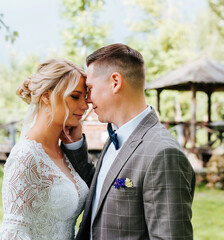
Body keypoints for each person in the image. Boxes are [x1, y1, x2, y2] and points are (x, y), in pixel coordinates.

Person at [62, 44, 196, 240]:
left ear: (115, 82)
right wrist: (74, 145)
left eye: (90, 88)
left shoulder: (163, 154)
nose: (88, 99)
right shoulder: (116, 136)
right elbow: (104, 191)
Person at [0, 58, 90, 240]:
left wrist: (74, 145)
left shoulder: (63, 153)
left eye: (85, 98)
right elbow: (15, 233)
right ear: (46, 95)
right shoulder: (25, 156)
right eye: (75, 96)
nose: (85, 106)